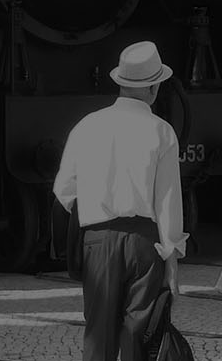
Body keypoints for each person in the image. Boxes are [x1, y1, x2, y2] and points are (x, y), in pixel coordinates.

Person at [53, 41, 190, 361]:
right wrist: (171, 259)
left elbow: (64, 189)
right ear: (155, 87)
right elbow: (168, 199)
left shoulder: (87, 125)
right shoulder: (162, 131)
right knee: (137, 333)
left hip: (97, 240)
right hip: (144, 242)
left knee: (98, 331)